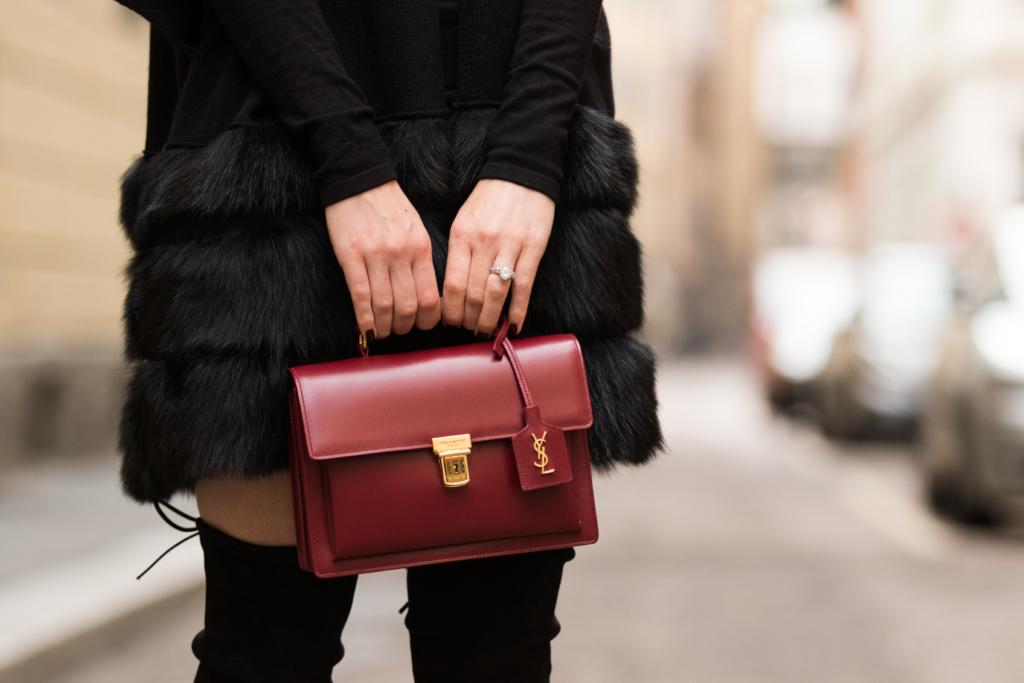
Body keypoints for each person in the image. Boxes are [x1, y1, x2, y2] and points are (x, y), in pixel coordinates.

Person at [114, 0, 662, 680]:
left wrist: (526, 159)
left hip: (516, 133)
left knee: (494, 651)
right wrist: (347, 158)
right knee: (265, 646)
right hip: (272, 141)